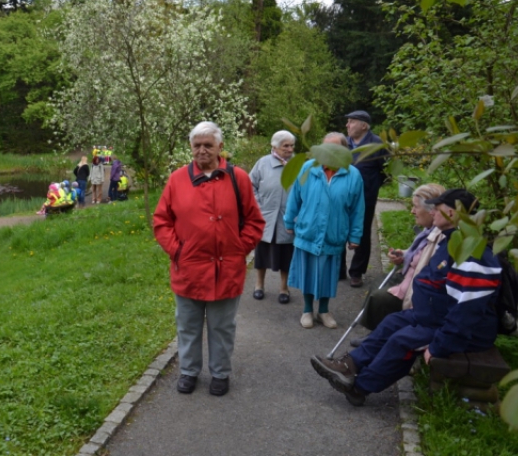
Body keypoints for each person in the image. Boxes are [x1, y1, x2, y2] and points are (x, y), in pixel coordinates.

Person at [311, 188, 501, 406]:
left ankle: (359, 387)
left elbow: (467, 313)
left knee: (402, 341)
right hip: (431, 316)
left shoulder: (472, 255)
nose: (433, 212)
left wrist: (440, 346)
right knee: (392, 322)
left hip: (464, 332)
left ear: (452, 213)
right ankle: (349, 366)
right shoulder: (451, 241)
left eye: (437, 209)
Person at [154, 121, 265, 396]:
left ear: (220, 147)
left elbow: (254, 220)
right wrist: (177, 250)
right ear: (191, 148)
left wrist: (240, 248)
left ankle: (220, 373)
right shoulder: (177, 179)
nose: (202, 150)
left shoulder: (238, 178)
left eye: (208, 145)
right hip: (189, 268)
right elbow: (161, 220)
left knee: (222, 327)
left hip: (226, 269)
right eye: (197, 145)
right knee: (188, 326)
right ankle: (189, 371)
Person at [283, 132, 364, 329]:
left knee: (329, 274)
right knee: (308, 272)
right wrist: (288, 221)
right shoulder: (307, 168)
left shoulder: (352, 174)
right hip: (308, 231)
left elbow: (357, 208)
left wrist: (355, 235)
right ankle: (307, 310)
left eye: (333, 148)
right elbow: (295, 197)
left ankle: (324, 310)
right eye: (324, 147)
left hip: (333, 233)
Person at [354, 183, 446, 336]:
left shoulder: (440, 235)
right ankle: (376, 334)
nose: (412, 211)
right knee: (376, 283)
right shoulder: (428, 230)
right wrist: (403, 255)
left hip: (416, 289)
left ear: (431, 211)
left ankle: (380, 337)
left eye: (416, 207)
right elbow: (417, 254)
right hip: (408, 277)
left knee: (379, 298)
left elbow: (427, 267)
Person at [249, 130, 296, 304]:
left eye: (292, 145)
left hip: (288, 217)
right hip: (265, 216)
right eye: (286, 146)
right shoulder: (262, 163)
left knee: (286, 254)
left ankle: (284, 288)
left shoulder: (298, 164)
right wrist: (258, 207)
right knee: (261, 253)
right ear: (274, 146)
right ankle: (259, 285)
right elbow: (250, 185)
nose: (290, 149)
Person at [342, 110, 386, 288]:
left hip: (365, 198)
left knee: (361, 233)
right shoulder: (344, 144)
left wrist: (371, 187)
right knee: (339, 229)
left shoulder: (376, 144)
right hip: (342, 197)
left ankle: (357, 272)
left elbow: (386, 171)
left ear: (364, 125)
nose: (347, 125)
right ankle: (338, 270)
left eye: (351, 122)